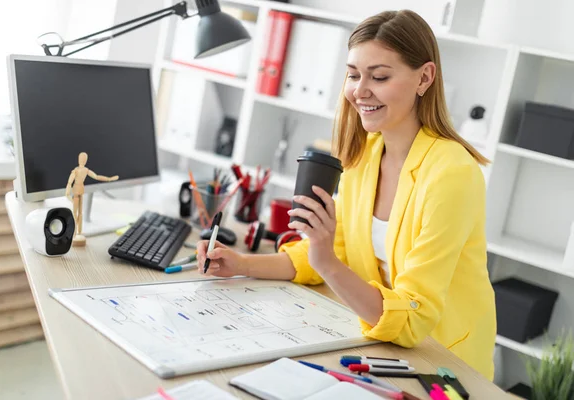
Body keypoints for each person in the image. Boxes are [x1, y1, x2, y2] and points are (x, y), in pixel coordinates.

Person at [196, 10, 496, 379]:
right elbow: (326, 250)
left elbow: (414, 315)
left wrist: (326, 263)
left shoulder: (453, 173)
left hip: (442, 361)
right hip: (380, 343)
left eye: (380, 76)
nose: (359, 90)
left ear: (425, 77)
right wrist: (241, 264)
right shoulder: (366, 153)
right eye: (353, 74)